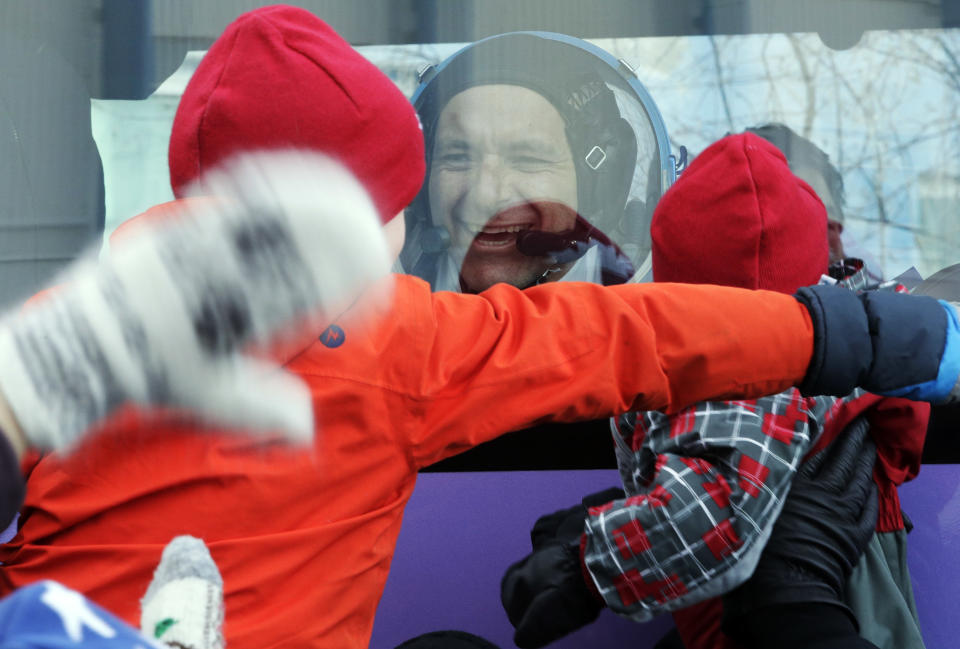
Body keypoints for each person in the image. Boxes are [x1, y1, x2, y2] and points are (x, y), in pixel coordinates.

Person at [4, 7, 960, 649]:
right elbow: (635, 340)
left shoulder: (73, 323)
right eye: (450, 156)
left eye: (530, 156)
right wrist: (845, 332)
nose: (488, 189)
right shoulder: (404, 341)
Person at [499, 133, 928, 649]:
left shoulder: (745, 370)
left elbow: (718, 503)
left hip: (813, 617)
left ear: (675, 293)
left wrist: (588, 565)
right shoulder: (843, 339)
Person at [402, 30, 671, 291]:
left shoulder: (651, 320)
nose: (484, 196)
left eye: (527, 159)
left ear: (598, 186)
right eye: (457, 157)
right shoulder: (376, 307)